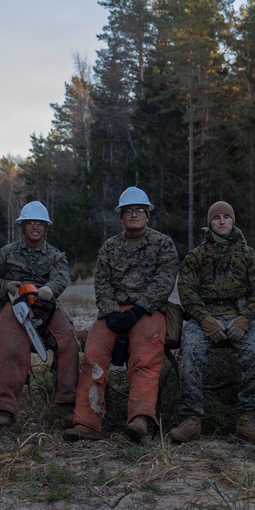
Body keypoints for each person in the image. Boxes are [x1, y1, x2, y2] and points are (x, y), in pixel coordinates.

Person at [65, 187, 178, 443]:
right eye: (128, 211)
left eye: (139, 210)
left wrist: (138, 310)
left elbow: (164, 281)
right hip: (114, 313)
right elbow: (101, 282)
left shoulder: (163, 244)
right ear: (121, 217)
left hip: (148, 311)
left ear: (148, 215)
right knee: (93, 354)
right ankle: (87, 421)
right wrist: (111, 313)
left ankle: (140, 418)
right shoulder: (109, 247)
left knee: (145, 358)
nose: (134, 214)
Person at [167, 201, 255, 443]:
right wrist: (204, 319)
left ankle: (247, 420)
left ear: (233, 221)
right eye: (216, 218)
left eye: (226, 217)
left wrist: (245, 318)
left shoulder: (249, 255)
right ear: (210, 223)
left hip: (239, 315)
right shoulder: (196, 256)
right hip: (205, 316)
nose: (222, 221)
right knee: (189, 353)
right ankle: (192, 419)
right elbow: (187, 291)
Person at [0, 200, 79, 428]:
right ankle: (6, 406)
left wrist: (50, 289)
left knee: (68, 340)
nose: (35, 226)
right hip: (15, 304)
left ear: (46, 227)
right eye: (30, 222)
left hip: (46, 305)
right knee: (10, 344)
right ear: (22, 226)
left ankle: (66, 402)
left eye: (40, 223)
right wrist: (5, 286)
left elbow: (61, 277)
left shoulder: (56, 256)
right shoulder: (6, 253)